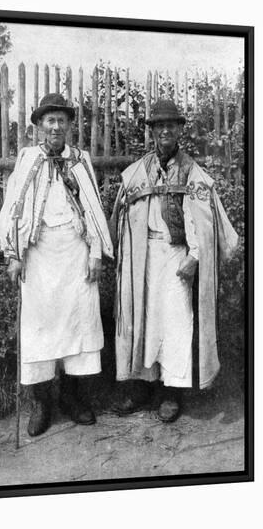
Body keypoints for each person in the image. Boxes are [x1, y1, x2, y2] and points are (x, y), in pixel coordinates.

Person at [0, 93, 113, 436]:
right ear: (40, 126)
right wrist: (13, 254)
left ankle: (73, 400)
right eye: (50, 120)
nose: (56, 126)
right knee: (38, 330)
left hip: (75, 253)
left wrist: (95, 253)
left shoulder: (80, 160)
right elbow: (14, 207)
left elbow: (93, 209)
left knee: (79, 326)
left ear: (69, 126)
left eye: (62, 120)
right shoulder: (28, 159)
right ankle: (42, 404)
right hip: (39, 254)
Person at [110, 99, 238, 423]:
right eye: (159, 125)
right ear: (152, 131)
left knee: (177, 324)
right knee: (145, 321)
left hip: (178, 255)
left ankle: (172, 392)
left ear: (180, 130)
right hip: (144, 256)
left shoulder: (192, 172)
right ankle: (143, 387)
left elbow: (204, 220)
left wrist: (195, 256)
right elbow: (121, 217)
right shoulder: (138, 172)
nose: (165, 130)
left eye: (171, 125)